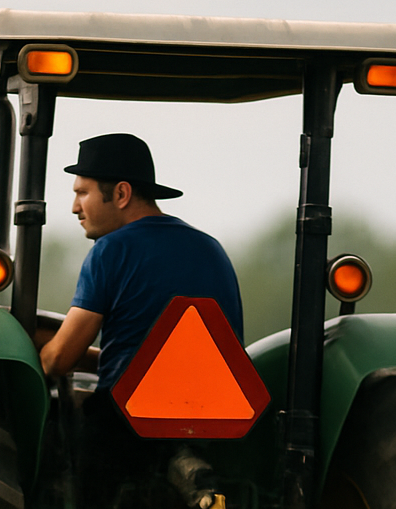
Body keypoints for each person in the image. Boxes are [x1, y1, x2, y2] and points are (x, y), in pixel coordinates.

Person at [38, 133, 244, 389]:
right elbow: (166, 360)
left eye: (82, 193)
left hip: (125, 421)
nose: (74, 207)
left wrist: (38, 354)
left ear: (121, 194)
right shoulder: (212, 248)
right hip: (217, 418)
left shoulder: (111, 250)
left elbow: (58, 360)